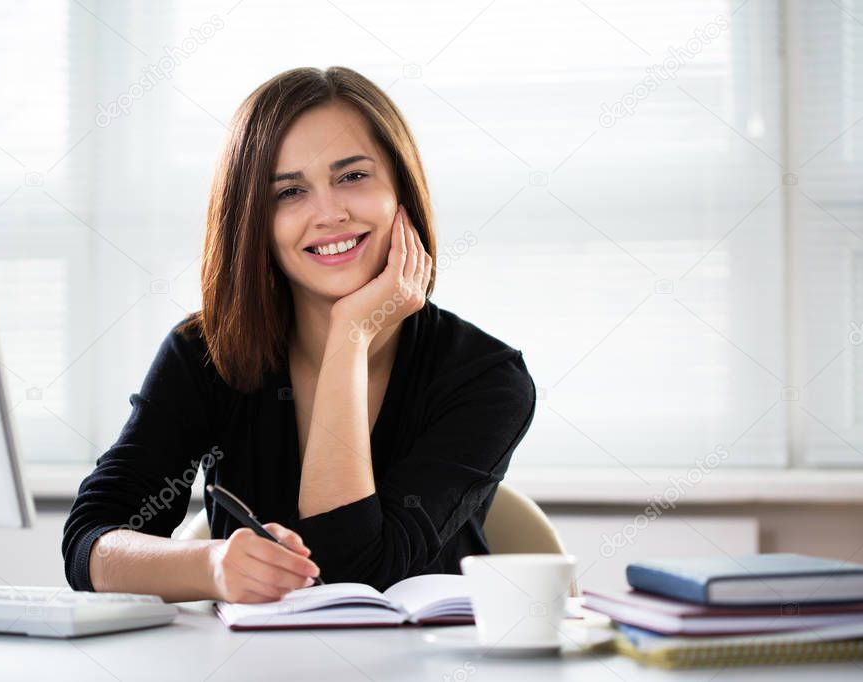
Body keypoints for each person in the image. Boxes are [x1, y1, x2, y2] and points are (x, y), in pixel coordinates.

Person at [61, 66, 536, 604]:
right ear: (253, 221)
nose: (329, 213)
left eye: (353, 177)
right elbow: (88, 546)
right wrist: (210, 565)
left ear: (401, 192)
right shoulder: (206, 353)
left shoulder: (486, 378)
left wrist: (351, 336)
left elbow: (353, 573)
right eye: (288, 192)